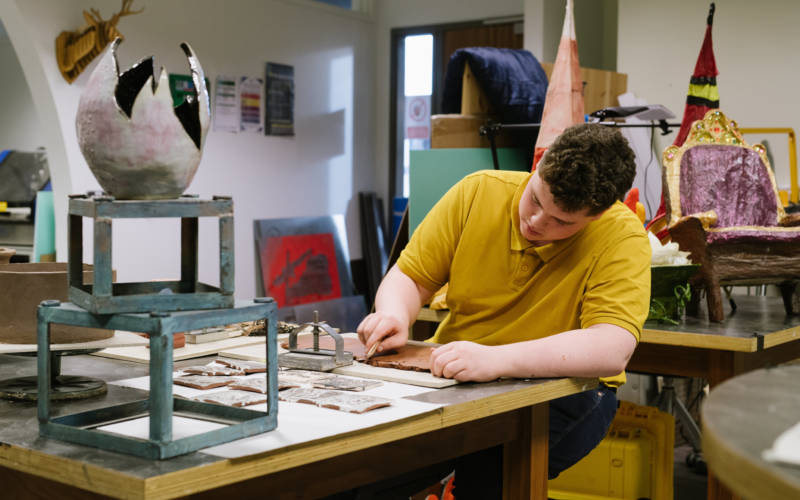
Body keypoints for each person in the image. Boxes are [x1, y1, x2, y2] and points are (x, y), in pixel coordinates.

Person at [357, 123, 651, 497]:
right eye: (535, 200)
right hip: (454, 373)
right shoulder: (477, 191)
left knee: (487, 481)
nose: (535, 223)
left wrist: (497, 360)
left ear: (597, 214)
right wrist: (395, 314)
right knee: (364, 473)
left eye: (561, 222)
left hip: (565, 389)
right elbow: (411, 277)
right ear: (537, 166)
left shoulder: (621, 237)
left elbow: (610, 348)